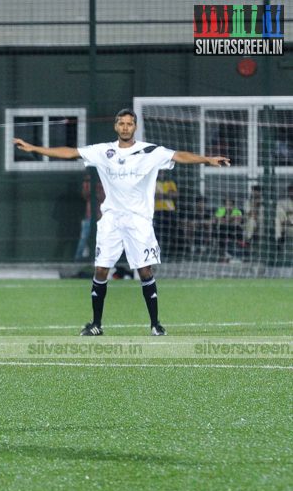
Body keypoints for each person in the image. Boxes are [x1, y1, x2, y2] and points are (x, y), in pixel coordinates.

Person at [14, 108, 230, 336]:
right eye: (121, 123)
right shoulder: (102, 151)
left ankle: (155, 324)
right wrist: (35, 148)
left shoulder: (150, 151)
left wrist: (207, 159)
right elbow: (70, 152)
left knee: (145, 271)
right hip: (111, 220)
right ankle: (96, 325)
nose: (125, 127)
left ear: (135, 126)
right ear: (116, 126)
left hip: (138, 221)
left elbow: (179, 156)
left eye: (129, 123)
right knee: (100, 270)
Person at [74, 173, 104, 261]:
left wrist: (98, 188)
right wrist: (89, 186)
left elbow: (103, 197)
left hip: (101, 217)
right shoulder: (87, 185)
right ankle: (77, 259)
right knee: (84, 238)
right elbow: (85, 195)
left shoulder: (103, 184)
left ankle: (100, 259)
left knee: (102, 239)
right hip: (89, 217)